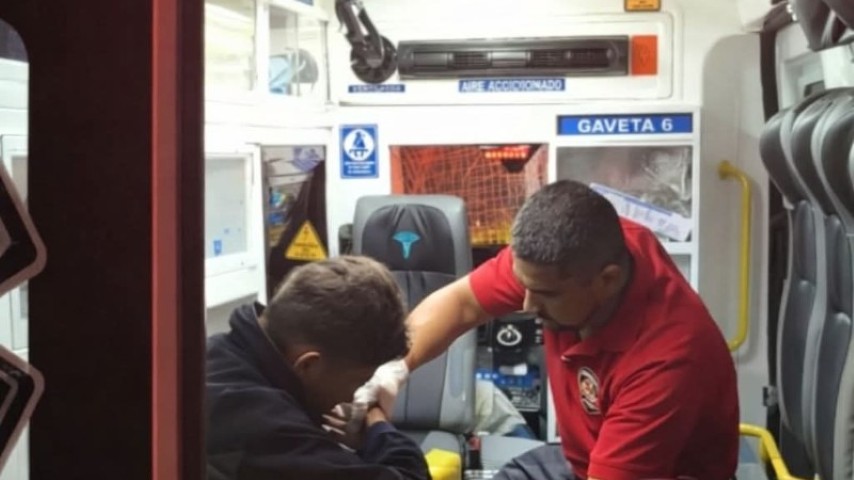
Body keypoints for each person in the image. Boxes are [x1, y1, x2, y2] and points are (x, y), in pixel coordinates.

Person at [355, 180, 740, 480]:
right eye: (523, 285)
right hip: (582, 458)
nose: (527, 306)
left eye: (546, 295)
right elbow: (462, 304)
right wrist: (393, 369)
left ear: (607, 280)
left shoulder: (667, 359)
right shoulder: (564, 257)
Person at [206, 256, 430, 480]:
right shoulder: (269, 431)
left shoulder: (215, 353)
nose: (353, 397)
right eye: (360, 382)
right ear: (308, 365)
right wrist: (377, 422)